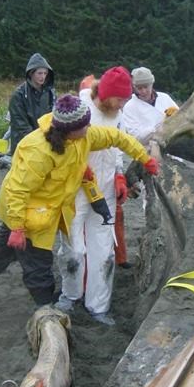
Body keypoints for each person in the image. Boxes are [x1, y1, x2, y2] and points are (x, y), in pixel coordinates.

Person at [0, 94, 159, 310]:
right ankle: (46, 310)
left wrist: (145, 159)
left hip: (47, 209)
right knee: (37, 266)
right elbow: (18, 190)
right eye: (84, 125)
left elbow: (118, 138)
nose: (89, 127)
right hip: (26, 213)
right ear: (68, 129)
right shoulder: (38, 151)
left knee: (1, 251)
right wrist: (18, 227)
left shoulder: (83, 136)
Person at [55, 67, 136, 325]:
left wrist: (119, 175)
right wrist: (78, 167)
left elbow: (119, 145)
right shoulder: (78, 108)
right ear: (107, 93)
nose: (124, 104)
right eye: (121, 99)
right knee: (73, 246)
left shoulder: (118, 113)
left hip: (106, 189)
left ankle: (98, 306)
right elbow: (61, 143)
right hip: (77, 189)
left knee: (104, 249)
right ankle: (70, 295)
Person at [0, 53, 56, 168]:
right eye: (39, 73)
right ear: (31, 73)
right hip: (24, 145)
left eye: (45, 73)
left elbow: (53, 117)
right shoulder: (18, 95)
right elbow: (20, 125)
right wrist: (38, 141)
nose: (43, 77)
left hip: (45, 144)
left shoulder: (50, 93)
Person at [122, 66, 179, 145]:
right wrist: (162, 123)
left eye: (146, 87)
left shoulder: (164, 97)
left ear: (152, 84)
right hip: (146, 151)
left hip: (172, 144)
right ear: (134, 87)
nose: (143, 91)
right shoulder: (130, 107)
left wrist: (177, 115)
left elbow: (181, 121)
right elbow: (137, 138)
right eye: (139, 88)